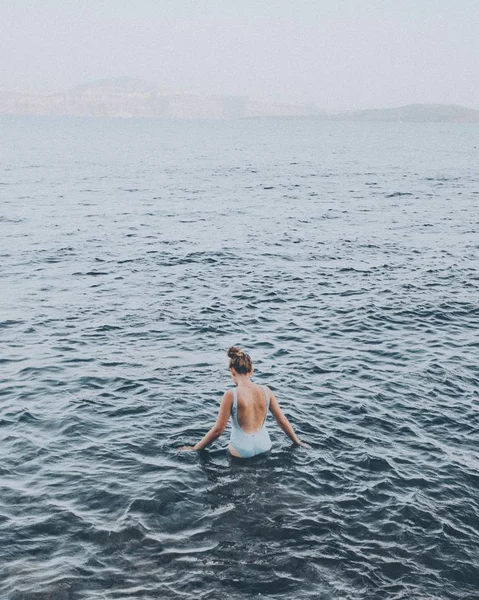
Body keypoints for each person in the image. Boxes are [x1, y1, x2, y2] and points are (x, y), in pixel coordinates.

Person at [179, 346, 309, 457]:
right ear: (251, 370)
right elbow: (282, 421)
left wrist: (195, 448)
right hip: (265, 446)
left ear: (232, 371)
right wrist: (297, 442)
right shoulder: (266, 391)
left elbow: (218, 430)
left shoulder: (230, 395)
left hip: (241, 450)